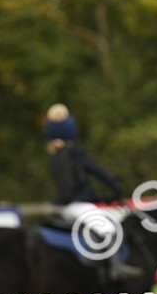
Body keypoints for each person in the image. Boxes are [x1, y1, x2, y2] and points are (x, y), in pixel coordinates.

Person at [44, 103, 140, 281]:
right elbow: (98, 173)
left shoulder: (55, 157)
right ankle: (117, 269)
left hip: (64, 208)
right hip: (78, 206)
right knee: (109, 228)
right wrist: (115, 189)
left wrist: (99, 197)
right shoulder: (75, 153)